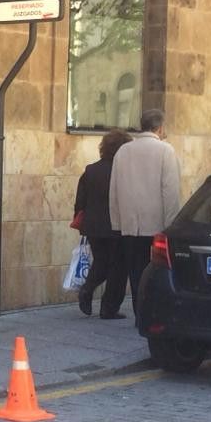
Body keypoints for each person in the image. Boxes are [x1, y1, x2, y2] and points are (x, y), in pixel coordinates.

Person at [108, 107, 182, 329]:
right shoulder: (165, 151)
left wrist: (117, 222)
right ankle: (151, 314)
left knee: (135, 272)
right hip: (156, 224)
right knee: (156, 273)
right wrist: (171, 226)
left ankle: (140, 313)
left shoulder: (123, 151)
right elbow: (170, 191)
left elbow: (114, 190)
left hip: (130, 224)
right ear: (159, 127)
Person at [72, 129, 131, 319]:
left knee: (101, 262)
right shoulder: (124, 171)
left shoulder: (91, 170)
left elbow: (80, 200)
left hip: (94, 226)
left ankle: (87, 289)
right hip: (117, 225)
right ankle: (108, 308)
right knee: (118, 268)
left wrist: (81, 221)